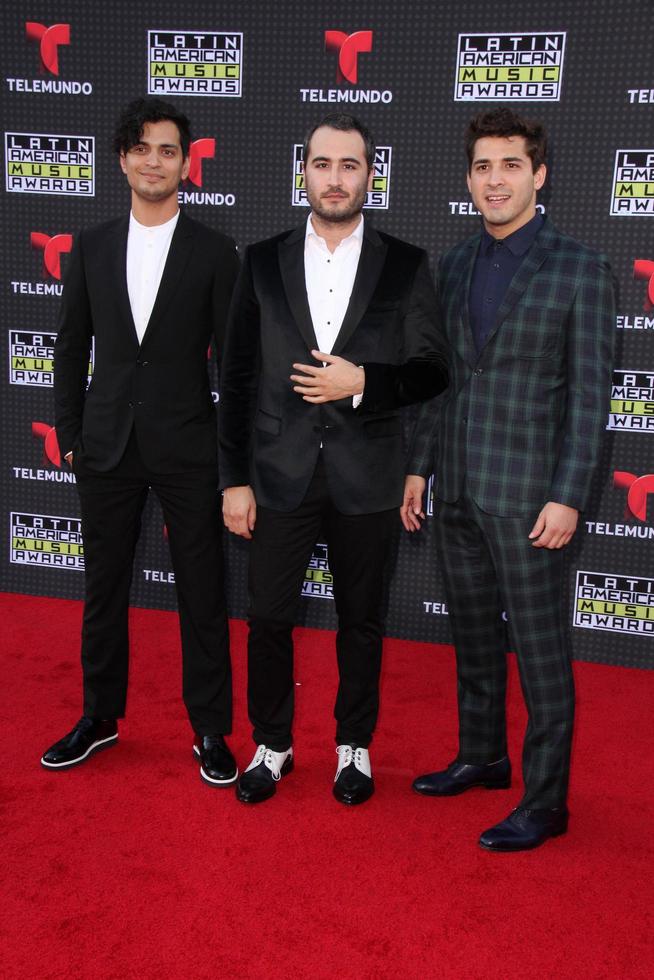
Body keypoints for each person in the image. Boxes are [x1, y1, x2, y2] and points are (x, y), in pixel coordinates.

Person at [219, 112, 448, 805]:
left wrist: (365, 384)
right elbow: (235, 378)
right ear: (304, 172)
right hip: (277, 471)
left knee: (362, 620)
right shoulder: (260, 260)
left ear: (370, 176)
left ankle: (355, 746)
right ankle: (273, 744)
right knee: (268, 620)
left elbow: (431, 371)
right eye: (323, 164)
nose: (335, 178)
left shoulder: (405, 264)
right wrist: (233, 479)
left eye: (350, 166)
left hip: (368, 472)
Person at [401, 107, 615, 850]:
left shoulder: (581, 269)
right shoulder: (452, 264)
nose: (496, 180)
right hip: (457, 483)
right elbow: (438, 380)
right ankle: (483, 755)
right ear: (470, 179)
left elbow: (592, 399)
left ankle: (547, 801)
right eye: (484, 167)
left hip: (530, 499)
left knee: (543, 650)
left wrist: (568, 495)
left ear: (540, 174)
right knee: (473, 640)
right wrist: (419, 468)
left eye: (511, 166)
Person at [41, 97, 241, 787]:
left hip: (189, 447)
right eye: (142, 148)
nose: (154, 160)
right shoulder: (92, 245)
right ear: (122, 158)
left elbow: (235, 366)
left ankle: (211, 729)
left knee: (203, 591)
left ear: (187, 165)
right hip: (106, 447)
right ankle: (99, 716)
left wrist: (231, 458)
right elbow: (70, 349)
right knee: (103, 588)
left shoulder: (215, 252)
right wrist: (71, 436)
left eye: (167, 150)